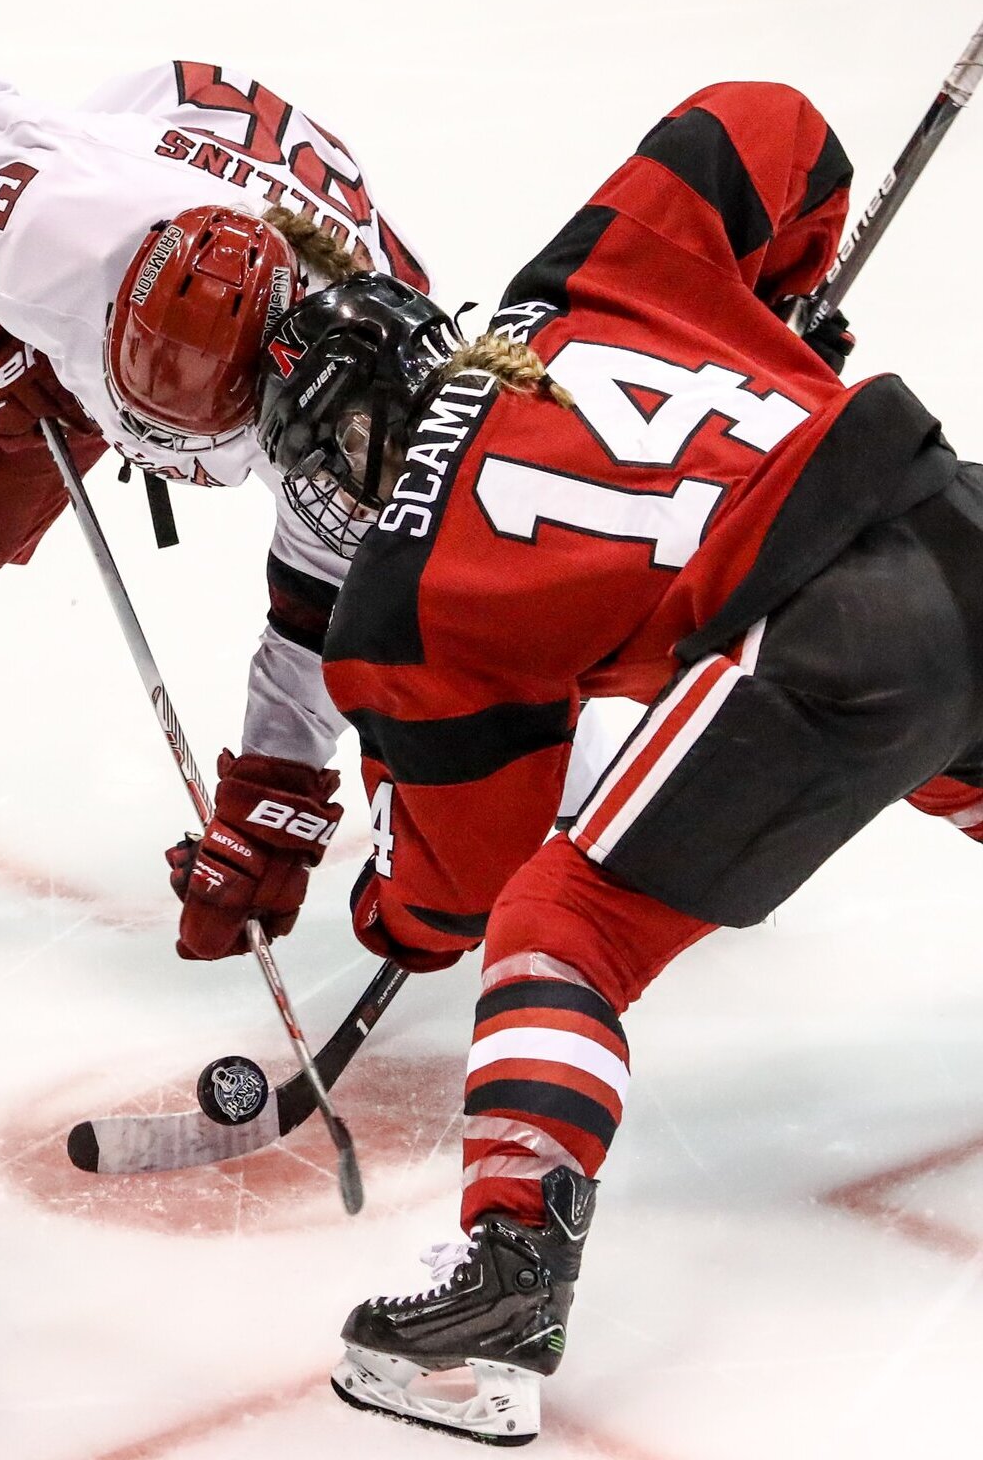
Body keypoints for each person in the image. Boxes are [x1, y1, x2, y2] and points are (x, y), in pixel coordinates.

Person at [251, 78, 960, 1444]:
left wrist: (384, 913)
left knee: (561, 927)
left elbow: (464, 886)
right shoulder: (574, 276)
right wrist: (778, 312)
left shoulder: (397, 592)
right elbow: (768, 126)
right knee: (933, 734)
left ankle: (503, 1297)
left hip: (829, 629)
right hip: (949, 515)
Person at [0, 60, 441, 961]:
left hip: (243, 320)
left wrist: (269, 798)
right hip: (86, 297)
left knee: (408, 619)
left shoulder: (351, 396)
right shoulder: (55, 226)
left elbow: (312, 622)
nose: (134, 439)